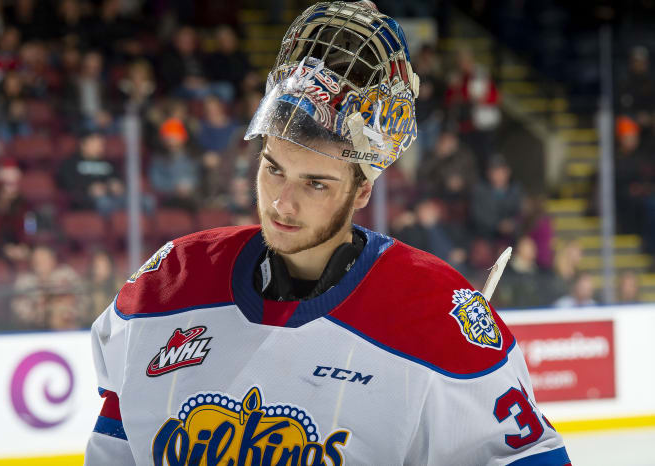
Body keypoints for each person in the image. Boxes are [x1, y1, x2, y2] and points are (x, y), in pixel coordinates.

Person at [84, 3, 570, 465]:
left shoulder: (436, 319)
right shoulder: (168, 285)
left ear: (362, 191)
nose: (281, 203)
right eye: (273, 169)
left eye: (315, 183)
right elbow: (118, 438)